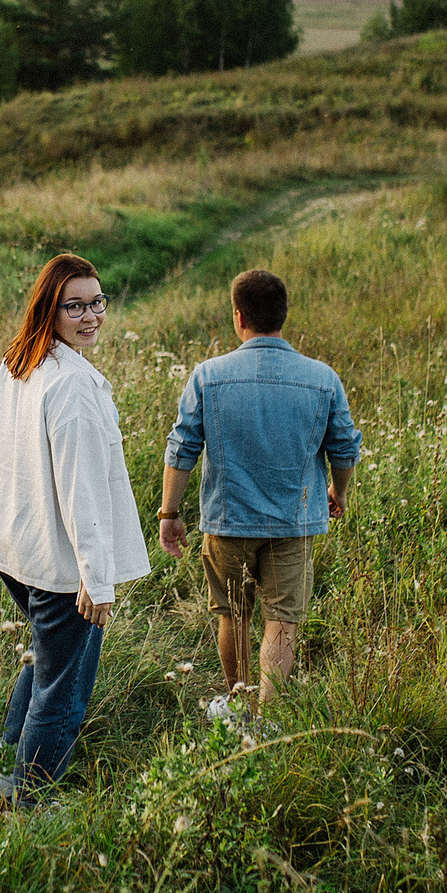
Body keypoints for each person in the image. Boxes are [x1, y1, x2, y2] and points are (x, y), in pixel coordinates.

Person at [0, 253, 150, 802]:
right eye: (74, 306)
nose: (91, 316)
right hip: (58, 563)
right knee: (64, 689)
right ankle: (25, 800)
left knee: (45, 662)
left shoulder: (20, 360)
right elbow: (82, 492)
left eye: (97, 302)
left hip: (17, 548)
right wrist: (96, 581)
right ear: (49, 309)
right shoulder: (69, 385)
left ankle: (3, 774)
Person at [158, 268, 360, 717]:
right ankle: (266, 719)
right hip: (295, 521)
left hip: (228, 522)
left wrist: (169, 512)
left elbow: (182, 448)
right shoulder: (322, 378)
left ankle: (238, 707)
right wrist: (338, 492)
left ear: (238, 316)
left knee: (234, 613)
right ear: (283, 316)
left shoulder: (208, 376)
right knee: (282, 620)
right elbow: (344, 447)